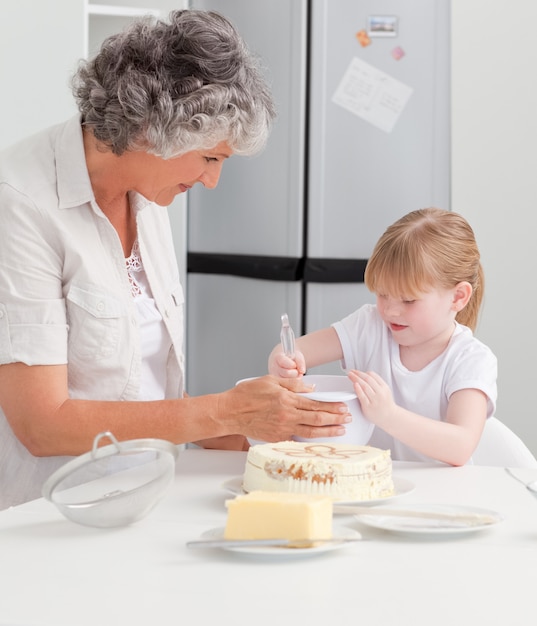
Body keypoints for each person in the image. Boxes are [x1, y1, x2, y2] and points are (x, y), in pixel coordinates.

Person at [0, 10, 351, 509]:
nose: (211, 181)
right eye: (211, 158)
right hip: (53, 519)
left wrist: (252, 424)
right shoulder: (21, 203)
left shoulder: (149, 194)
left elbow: (143, 398)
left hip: (146, 498)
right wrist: (226, 412)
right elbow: (42, 424)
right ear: (153, 129)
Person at [268, 208, 498, 466]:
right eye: (382, 294)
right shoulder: (370, 326)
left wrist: (388, 415)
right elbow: (288, 351)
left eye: (409, 300)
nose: (389, 310)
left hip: (441, 496)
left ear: (458, 297)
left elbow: (461, 446)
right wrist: (284, 362)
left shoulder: (470, 360)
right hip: (368, 486)